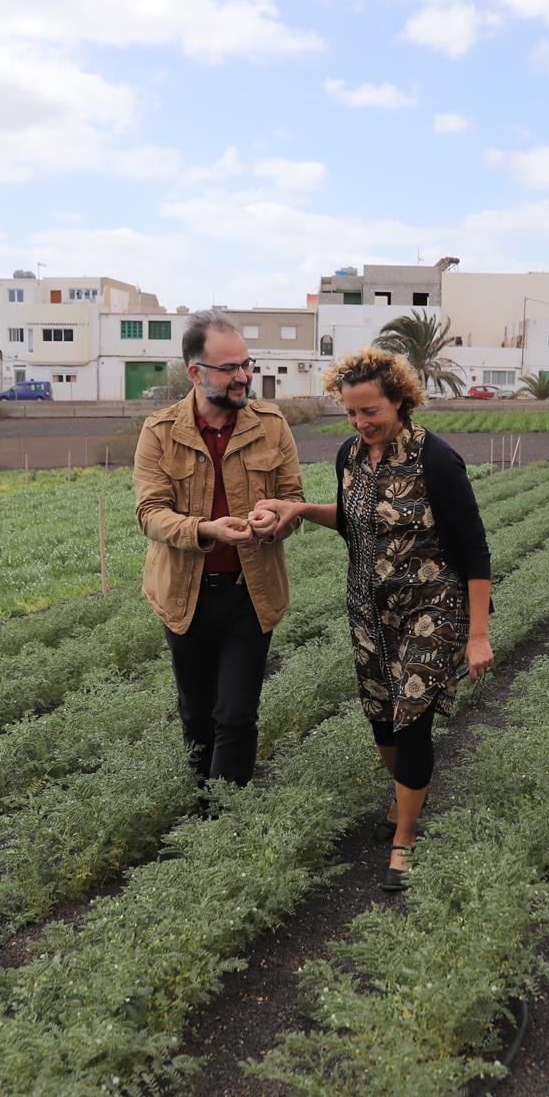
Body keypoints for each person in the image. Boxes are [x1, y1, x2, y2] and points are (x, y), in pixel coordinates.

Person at [250, 348, 490, 890]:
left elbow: (475, 550)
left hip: (432, 609)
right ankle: (404, 796)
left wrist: (478, 635)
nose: (361, 423)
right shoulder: (350, 457)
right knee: (381, 718)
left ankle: (405, 837)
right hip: (367, 609)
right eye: (352, 413)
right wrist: (302, 510)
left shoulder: (437, 460)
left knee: (412, 721)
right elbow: (358, 522)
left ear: (401, 401)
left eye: (371, 412)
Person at [134, 309, 304, 793]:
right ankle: (202, 806)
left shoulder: (270, 425)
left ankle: (222, 822)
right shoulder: (161, 432)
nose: (243, 376)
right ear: (196, 372)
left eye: (246, 365)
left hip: (249, 591)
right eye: (230, 368)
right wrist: (205, 529)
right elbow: (150, 512)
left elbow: (292, 496)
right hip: (185, 594)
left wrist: (276, 520)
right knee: (198, 713)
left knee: (235, 714)